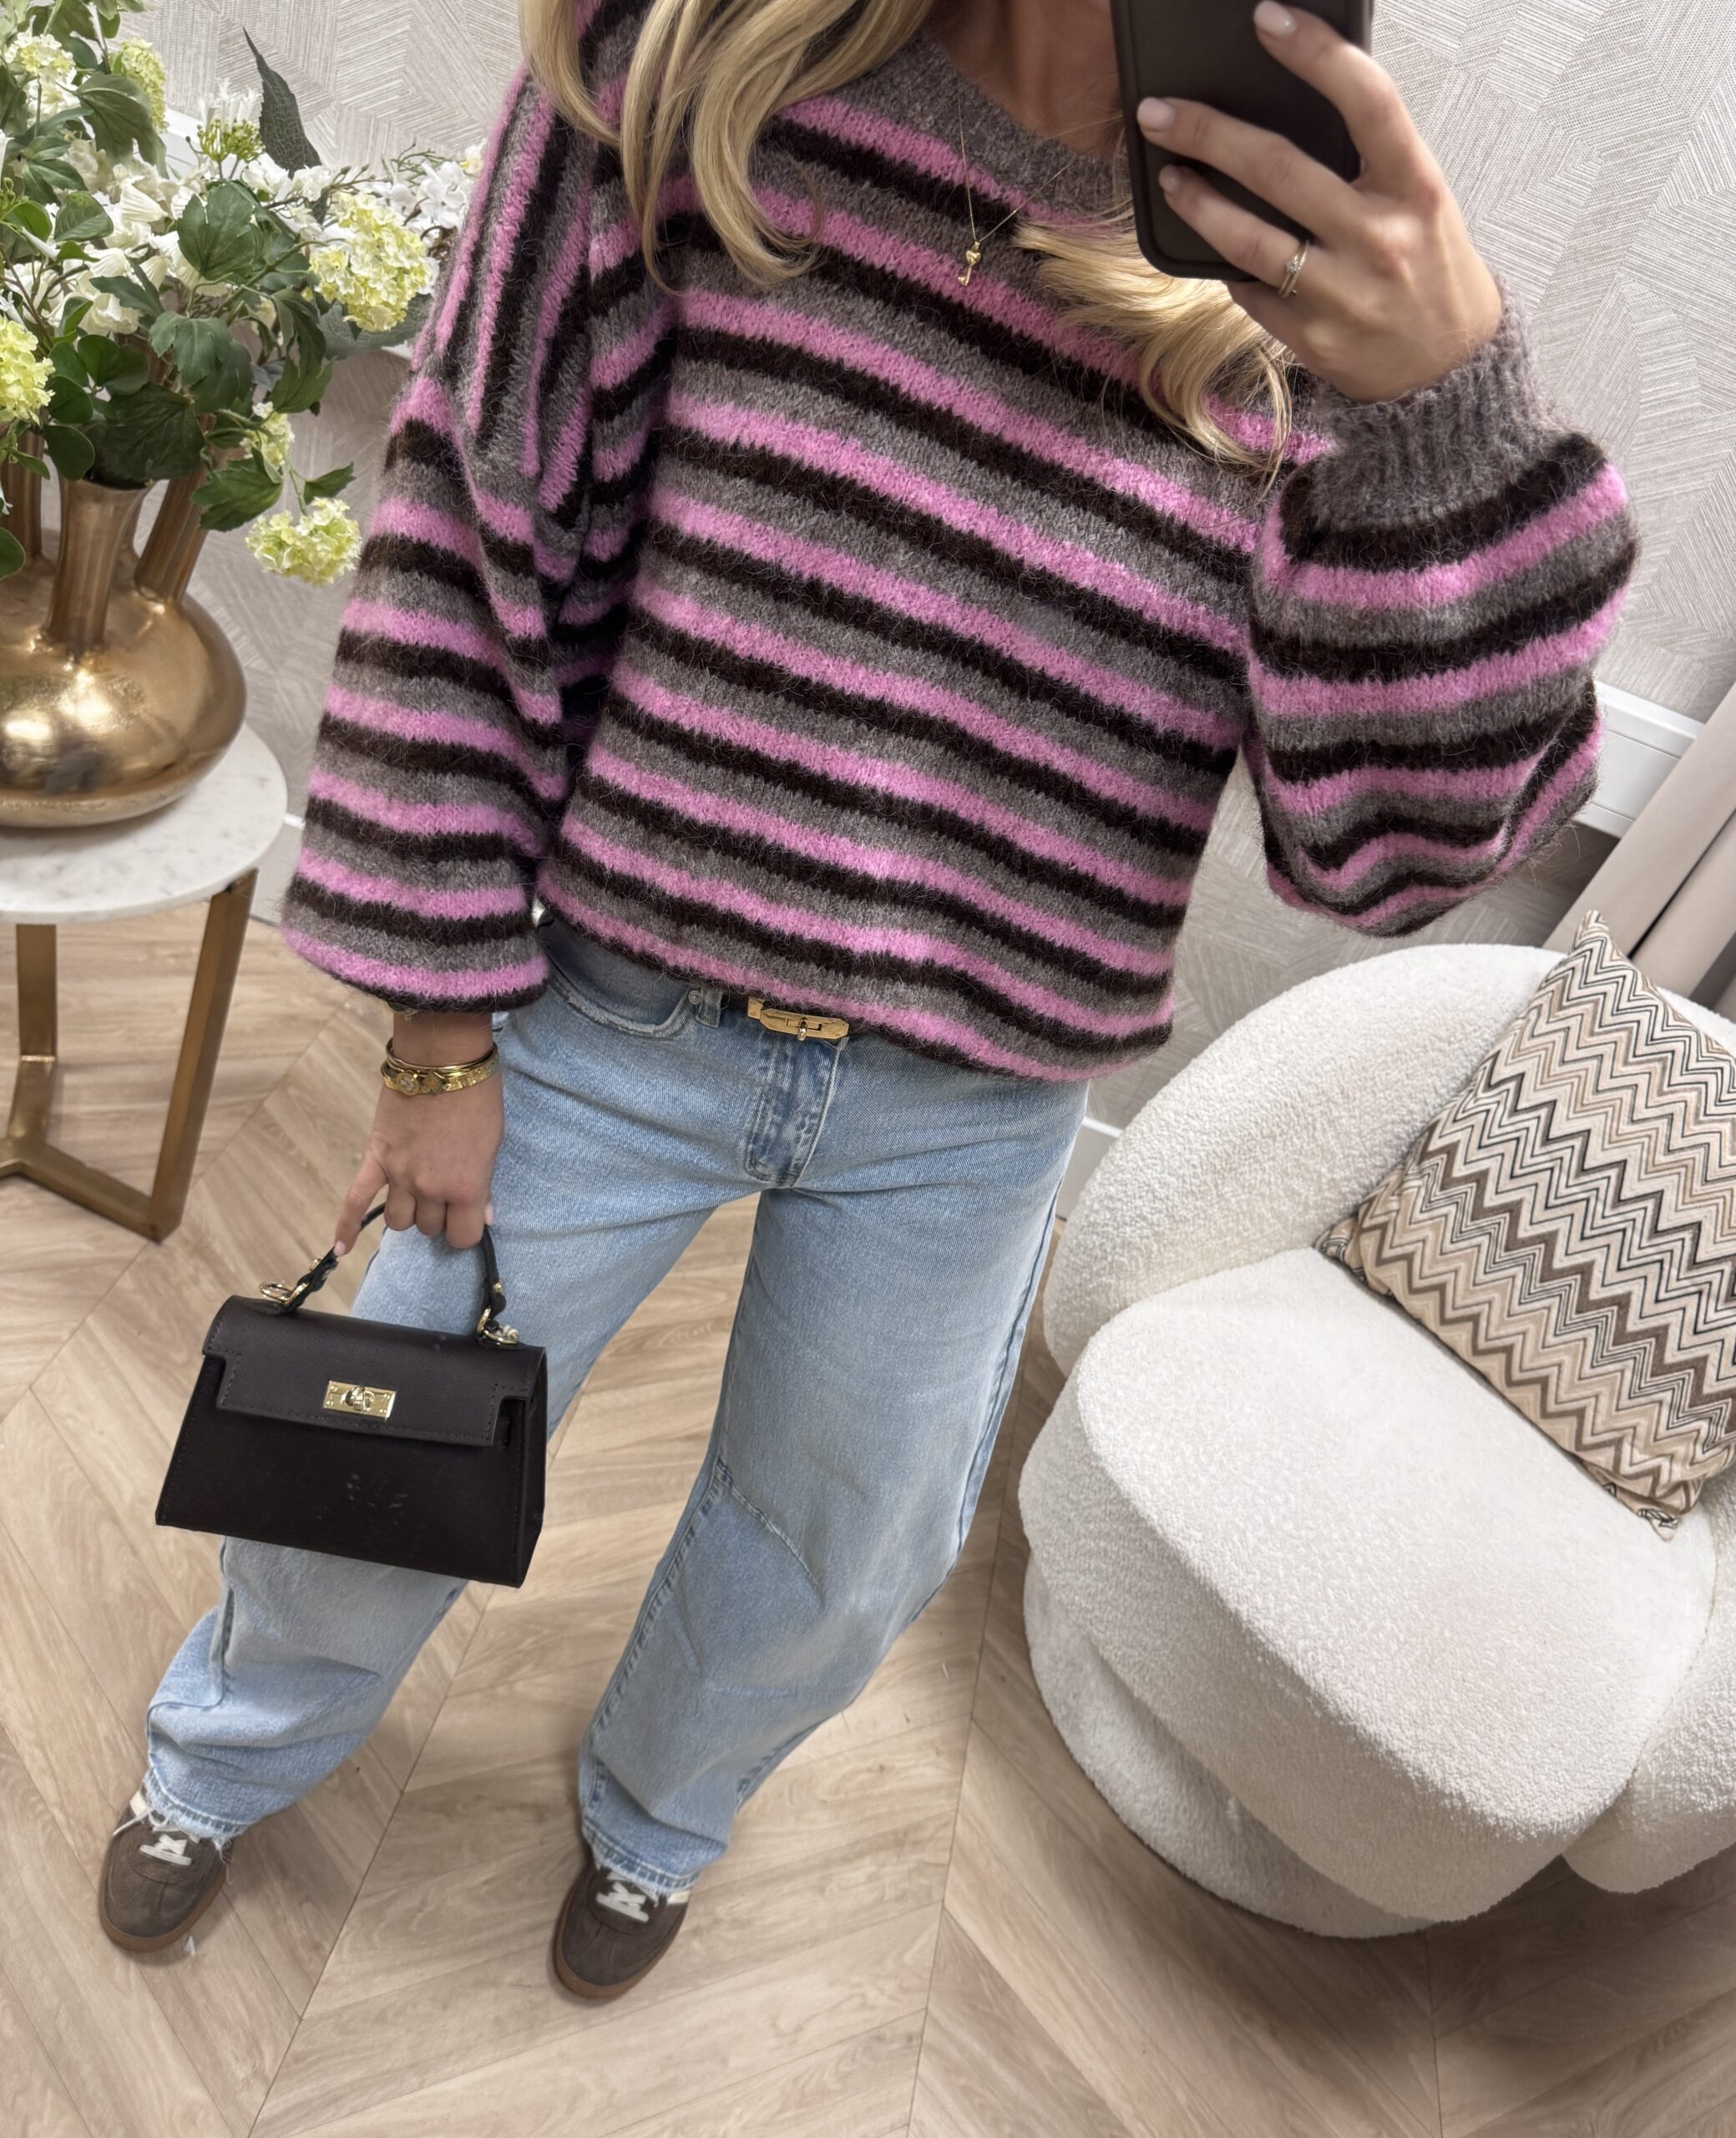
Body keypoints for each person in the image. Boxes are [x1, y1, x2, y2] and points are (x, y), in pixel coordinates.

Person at [102, 0, 1635, 1999]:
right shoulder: (686, 85)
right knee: (374, 1444)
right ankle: (222, 1759)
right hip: (613, 1013)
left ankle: (660, 1814)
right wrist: (437, 1028)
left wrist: (1440, 416)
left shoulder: (1308, 282)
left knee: (840, 1546)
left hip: (970, 1102)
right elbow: (475, 548)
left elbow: (1389, 860)